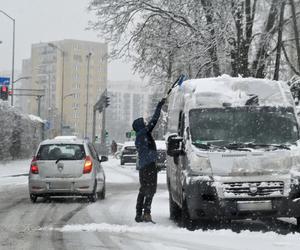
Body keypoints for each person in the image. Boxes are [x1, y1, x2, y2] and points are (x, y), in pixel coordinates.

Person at [132, 97, 166, 223]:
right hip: (148, 167)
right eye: (143, 123)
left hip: (145, 166)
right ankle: (145, 213)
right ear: (140, 126)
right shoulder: (143, 133)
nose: (146, 124)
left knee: (144, 190)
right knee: (149, 190)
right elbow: (154, 120)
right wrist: (159, 106)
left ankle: (139, 214)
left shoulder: (141, 136)